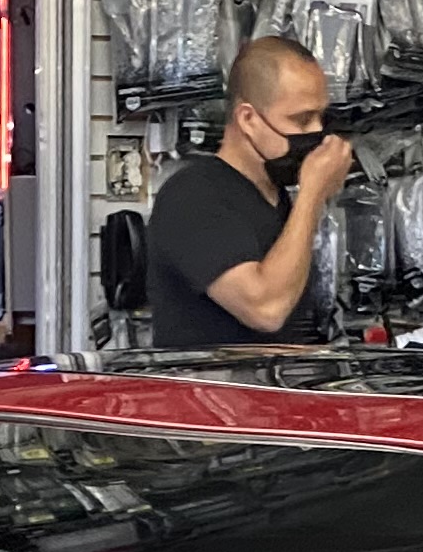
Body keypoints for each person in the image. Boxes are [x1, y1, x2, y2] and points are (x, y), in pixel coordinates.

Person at [146, 35, 353, 349]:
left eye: (321, 118)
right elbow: (265, 310)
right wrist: (312, 194)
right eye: (302, 119)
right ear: (248, 119)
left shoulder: (276, 196)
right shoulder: (192, 196)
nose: (316, 133)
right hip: (213, 395)